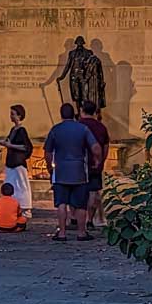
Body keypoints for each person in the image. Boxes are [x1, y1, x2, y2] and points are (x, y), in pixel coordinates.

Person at [43, 103, 99, 242]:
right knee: (80, 204)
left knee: (61, 203)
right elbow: (96, 147)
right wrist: (97, 160)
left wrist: (50, 167)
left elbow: (48, 152)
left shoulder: (55, 130)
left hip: (61, 171)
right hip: (79, 171)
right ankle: (81, 232)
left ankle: (62, 232)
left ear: (61, 114)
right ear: (74, 113)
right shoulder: (83, 129)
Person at [0, 104, 33, 219]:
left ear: (19, 116)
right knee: (11, 184)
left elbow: (26, 147)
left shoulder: (22, 130)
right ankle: (12, 206)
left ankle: (26, 208)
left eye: (13, 114)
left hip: (18, 161)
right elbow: (8, 142)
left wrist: (11, 145)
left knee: (21, 185)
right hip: (11, 161)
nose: (10, 116)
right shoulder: (13, 129)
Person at [78, 99, 110, 230]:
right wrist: (102, 160)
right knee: (93, 192)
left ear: (82, 110)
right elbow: (106, 146)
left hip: (80, 164)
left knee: (78, 192)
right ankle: (90, 220)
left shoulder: (79, 125)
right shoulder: (101, 127)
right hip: (95, 165)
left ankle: (78, 218)